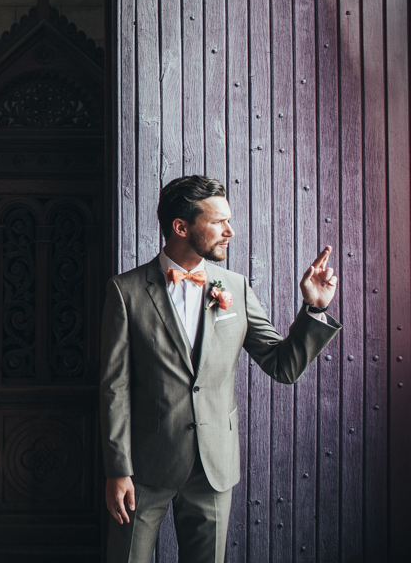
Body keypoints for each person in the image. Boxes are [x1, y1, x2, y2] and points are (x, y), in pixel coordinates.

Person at [99, 175, 341, 563]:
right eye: (218, 222)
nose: (230, 231)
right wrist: (118, 469)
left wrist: (315, 308)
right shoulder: (125, 291)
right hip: (144, 467)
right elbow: (115, 387)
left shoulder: (235, 287)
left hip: (214, 467)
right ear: (181, 227)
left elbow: (283, 366)